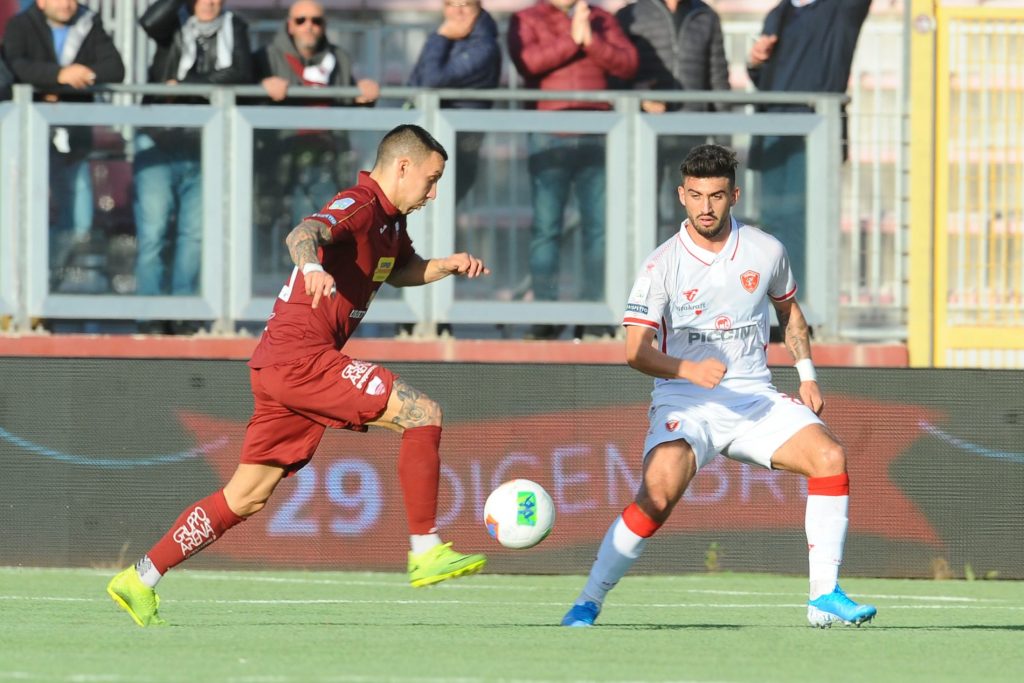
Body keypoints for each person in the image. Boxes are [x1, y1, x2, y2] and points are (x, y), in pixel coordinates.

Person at [106, 124, 490, 627]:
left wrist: (445, 266)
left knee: (246, 496)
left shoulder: (391, 224)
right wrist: (311, 267)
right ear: (403, 166)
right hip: (300, 359)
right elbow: (303, 234)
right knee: (421, 413)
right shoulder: (359, 205)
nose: (433, 193)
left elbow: (397, 270)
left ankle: (140, 577)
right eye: (431, 179)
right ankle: (425, 548)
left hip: (280, 365)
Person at [560, 144, 877, 629]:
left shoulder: (766, 250)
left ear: (734, 195)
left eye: (716, 196)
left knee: (830, 457)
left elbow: (789, 313)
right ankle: (589, 600)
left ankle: (824, 595)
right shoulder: (662, 265)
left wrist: (807, 374)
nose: (705, 207)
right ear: (681, 196)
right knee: (656, 496)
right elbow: (635, 351)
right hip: (686, 401)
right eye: (696, 195)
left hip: (753, 398)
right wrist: (688, 371)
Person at [507, 0, 638, 341]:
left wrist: (591, 39)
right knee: (546, 229)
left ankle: (595, 313)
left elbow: (628, 63)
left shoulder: (601, 19)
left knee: (599, 229)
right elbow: (528, 62)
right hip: (550, 137)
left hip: (598, 135)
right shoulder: (526, 18)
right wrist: (573, 38)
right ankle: (545, 315)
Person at [133, 0, 253, 334]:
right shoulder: (173, 26)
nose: (209, 3)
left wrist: (188, 82)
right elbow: (149, 21)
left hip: (202, 144)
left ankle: (184, 312)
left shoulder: (235, 27)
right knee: (153, 233)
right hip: (158, 139)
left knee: (194, 235)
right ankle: (150, 315)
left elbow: (241, 73)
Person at [747, 0, 871, 291]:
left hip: (812, 136)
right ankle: (775, 301)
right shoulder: (778, 14)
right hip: (772, 135)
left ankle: (800, 303)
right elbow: (763, 79)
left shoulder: (838, 10)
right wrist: (755, 61)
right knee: (771, 221)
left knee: (801, 222)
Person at [2, 0, 125, 290]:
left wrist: (75, 76)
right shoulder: (20, 25)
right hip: (26, 140)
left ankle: (52, 284)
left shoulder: (89, 23)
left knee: (77, 218)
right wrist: (58, 76)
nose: (68, 4)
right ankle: (22, 286)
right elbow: (14, 68)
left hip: (73, 141)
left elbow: (114, 69)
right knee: (23, 212)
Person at [252, 0, 380, 231]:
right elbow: (243, 98)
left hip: (327, 158)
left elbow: (350, 106)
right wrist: (262, 87)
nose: (309, 26)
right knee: (273, 228)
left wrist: (364, 96)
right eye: (301, 20)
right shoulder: (267, 57)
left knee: (325, 227)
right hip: (279, 158)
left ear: (324, 26)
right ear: (290, 25)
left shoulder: (338, 57)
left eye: (316, 21)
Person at [615, 0, 731, 244]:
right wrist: (641, 99)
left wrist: (724, 145)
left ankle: (690, 266)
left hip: (692, 133)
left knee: (691, 211)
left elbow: (718, 82)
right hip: (644, 133)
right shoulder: (631, 14)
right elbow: (617, 75)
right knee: (643, 208)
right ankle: (648, 265)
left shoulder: (706, 16)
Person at [408, 0, 500, 207]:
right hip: (431, 136)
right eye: (451, 4)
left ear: (478, 6)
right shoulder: (446, 38)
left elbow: (431, 80)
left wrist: (439, 37)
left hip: (460, 140)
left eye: (465, 4)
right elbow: (414, 83)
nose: (458, 12)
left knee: (441, 206)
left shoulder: (484, 46)